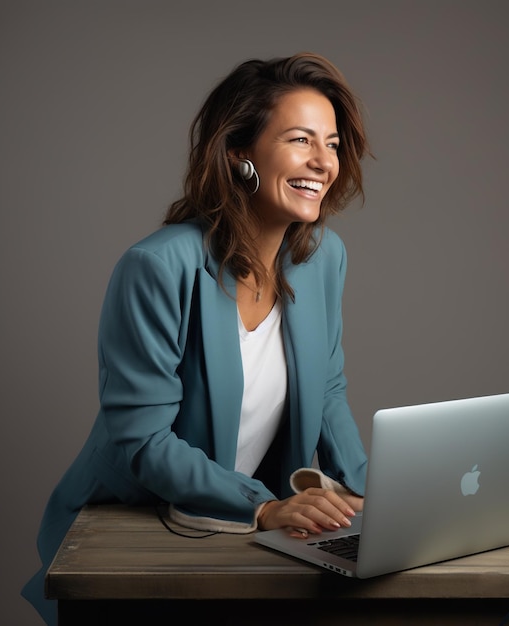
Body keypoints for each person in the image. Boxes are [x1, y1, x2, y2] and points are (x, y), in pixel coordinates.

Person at [22, 52, 371, 625]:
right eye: (300, 140)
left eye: (331, 144)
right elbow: (143, 440)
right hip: (133, 525)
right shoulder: (157, 266)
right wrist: (265, 506)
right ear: (240, 154)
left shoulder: (323, 258)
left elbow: (328, 388)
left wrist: (370, 498)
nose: (323, 162)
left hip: (232, 532)